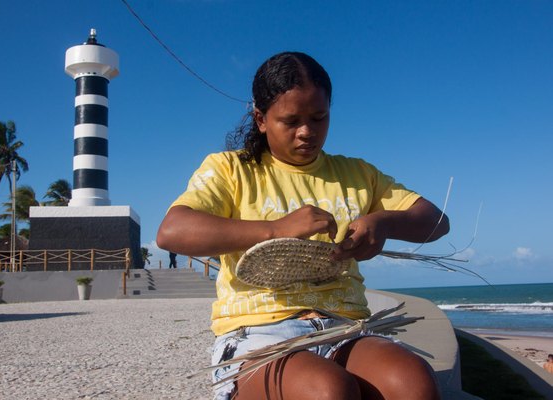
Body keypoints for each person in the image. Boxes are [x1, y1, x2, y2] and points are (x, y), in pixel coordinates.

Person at [157, 51, 450, 400]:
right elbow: (172, 231)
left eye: (319, 117)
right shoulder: (230, 169)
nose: (307, 132)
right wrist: (275, 229)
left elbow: (436, 222)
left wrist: (384, 221)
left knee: (413, 384)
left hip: (346, 327)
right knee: (328, 391)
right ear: (261, 118)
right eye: (291, 120)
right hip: (258, 333)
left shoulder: (357, 175)